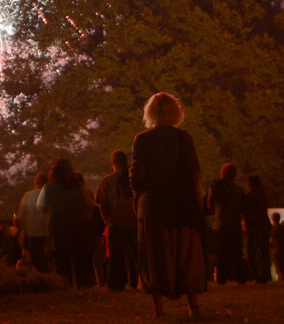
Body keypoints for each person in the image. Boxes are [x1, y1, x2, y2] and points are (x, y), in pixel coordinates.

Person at [130, 91, 205, 318]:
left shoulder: (142, 140)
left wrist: (137, 200)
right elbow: (194, 170)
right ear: (175, 112)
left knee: (154, 255)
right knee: (186, 253)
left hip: (152, 204)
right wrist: (196, 197)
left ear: (150, 113)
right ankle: (193, 305)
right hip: (182, 201)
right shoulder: (183, 137)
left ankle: (158, 307)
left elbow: (136, 175)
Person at [38, 158, 92, 287]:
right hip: (76, 227)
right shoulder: (78, 187)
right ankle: (82, 285)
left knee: (62, 261)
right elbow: (87, 205)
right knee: (79, 260)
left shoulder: (48, 187)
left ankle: (65, 285)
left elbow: (41, 207)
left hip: (58, 228)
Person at [96, 149, 139, 292]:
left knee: (116, 255)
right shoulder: (133, 178)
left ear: (112, 162)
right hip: (134, 221)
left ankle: (116, 284)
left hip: (116, 221)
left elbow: (102, 203)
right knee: (136, 255)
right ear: (126, 162)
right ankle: (136, 281)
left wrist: (106, 220)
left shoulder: (107, 181)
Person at [205, 163, 246, 285]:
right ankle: (240, 277)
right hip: (234, 225)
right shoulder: (238, 191)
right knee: (237, 254)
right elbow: (242, 208)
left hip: (220, 225)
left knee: (221, 253)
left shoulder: (215, 188)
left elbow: (209, 205)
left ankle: (221, 277)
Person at [242, 174, 272, 284]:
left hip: (255, 227)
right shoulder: (263, 194)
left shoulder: (249, 195)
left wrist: (248, 226)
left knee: (251, 254)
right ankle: (266, 275)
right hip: (264, 226)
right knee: (264, 253)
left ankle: (256, 276)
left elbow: (247, 212)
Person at [19, 172, 51, 271]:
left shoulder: (28, 196)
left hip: (32, 233)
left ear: (35, 183)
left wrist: (24, 230)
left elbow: (21, 216)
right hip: (47, 233)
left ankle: (37, 278)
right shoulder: (49, 196)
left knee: (34, 261)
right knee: (48, 260)